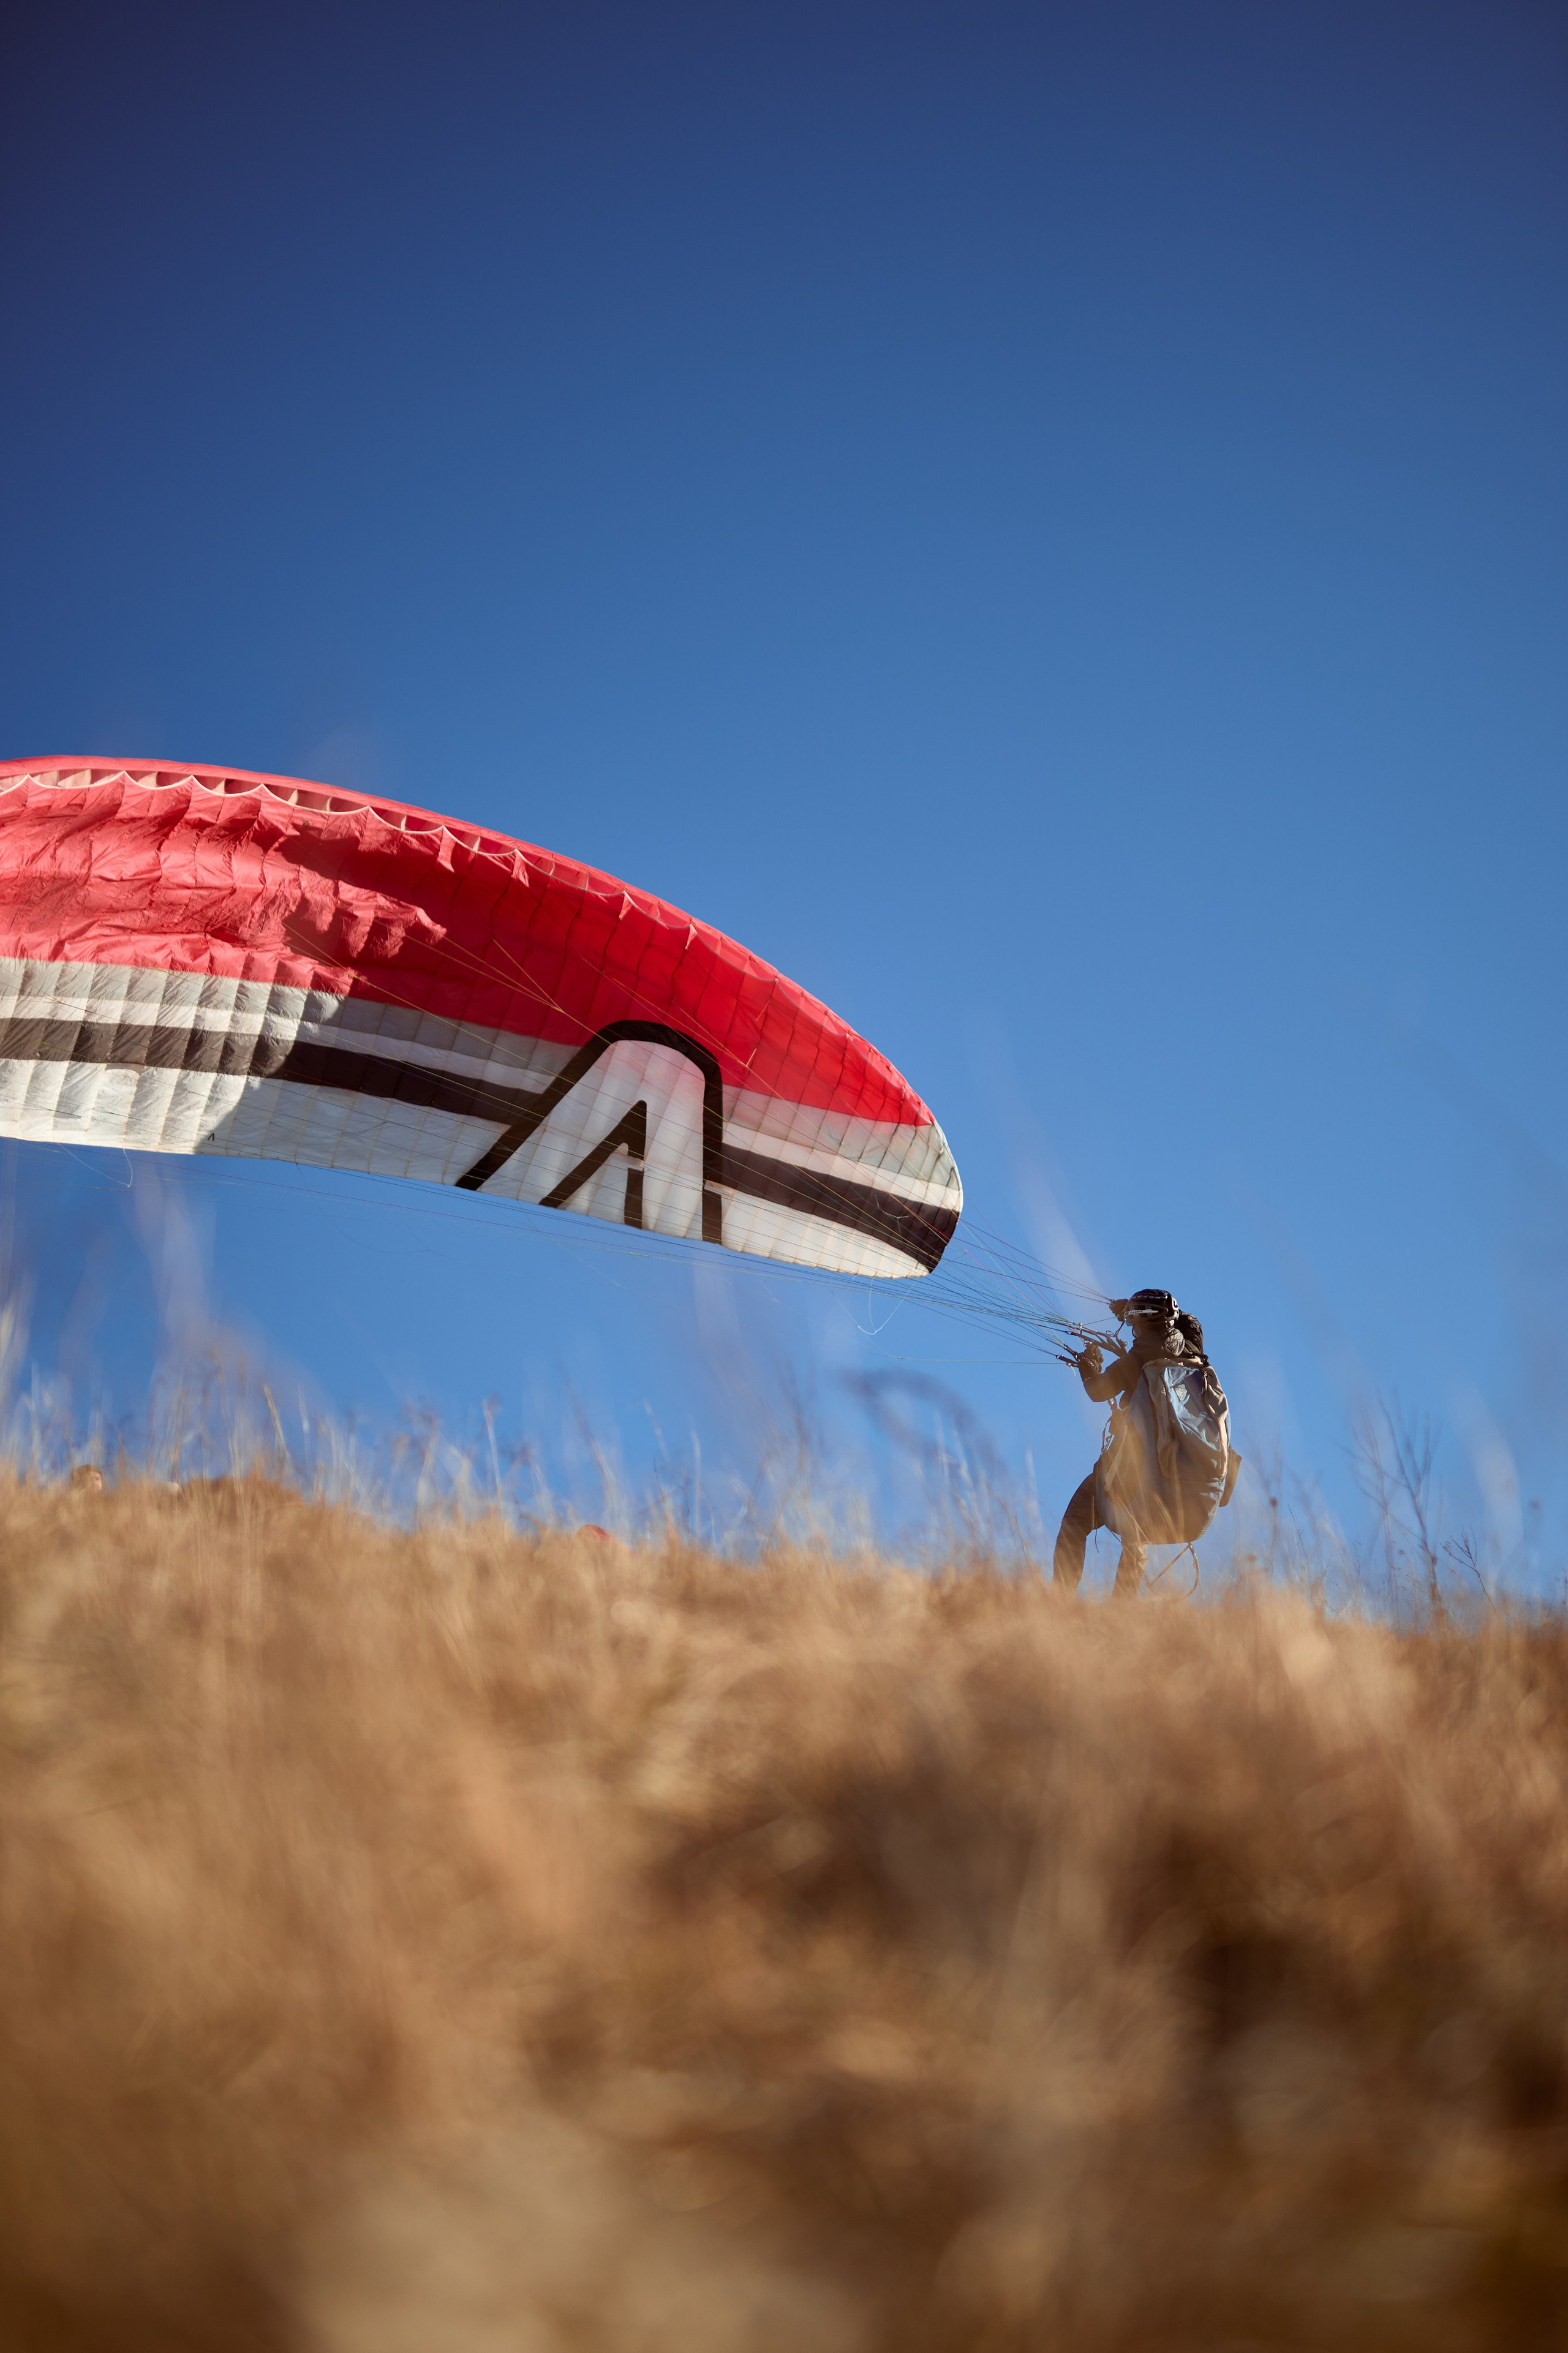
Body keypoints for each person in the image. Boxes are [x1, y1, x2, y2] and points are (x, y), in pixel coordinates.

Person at [1053, 1289, 1193, 1598]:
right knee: (1137, 1539)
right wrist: (1131, 1309)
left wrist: (1088, 1365)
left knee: (1073, 1526)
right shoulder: (1192, 1351)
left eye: (1133, 1323)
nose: (1130, 1329)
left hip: (1128, 1469)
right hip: (1170, 1472)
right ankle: (1120, 1616)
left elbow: (1098, 1390)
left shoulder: (1138, 1360)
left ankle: (1058, 1603)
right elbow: (1189, 1322)